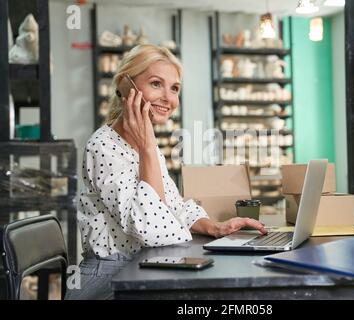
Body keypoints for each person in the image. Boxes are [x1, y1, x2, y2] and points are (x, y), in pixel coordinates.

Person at [65, 44, 267, 300]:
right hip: (108, 278)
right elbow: (152, 227)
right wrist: (148, 145)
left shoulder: (144, 145)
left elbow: (174, 206)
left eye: (174, 88)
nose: (169, 99)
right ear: (126, 86)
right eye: (156, 84)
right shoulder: (103, 146)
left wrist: (215, 228)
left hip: (141, 268)